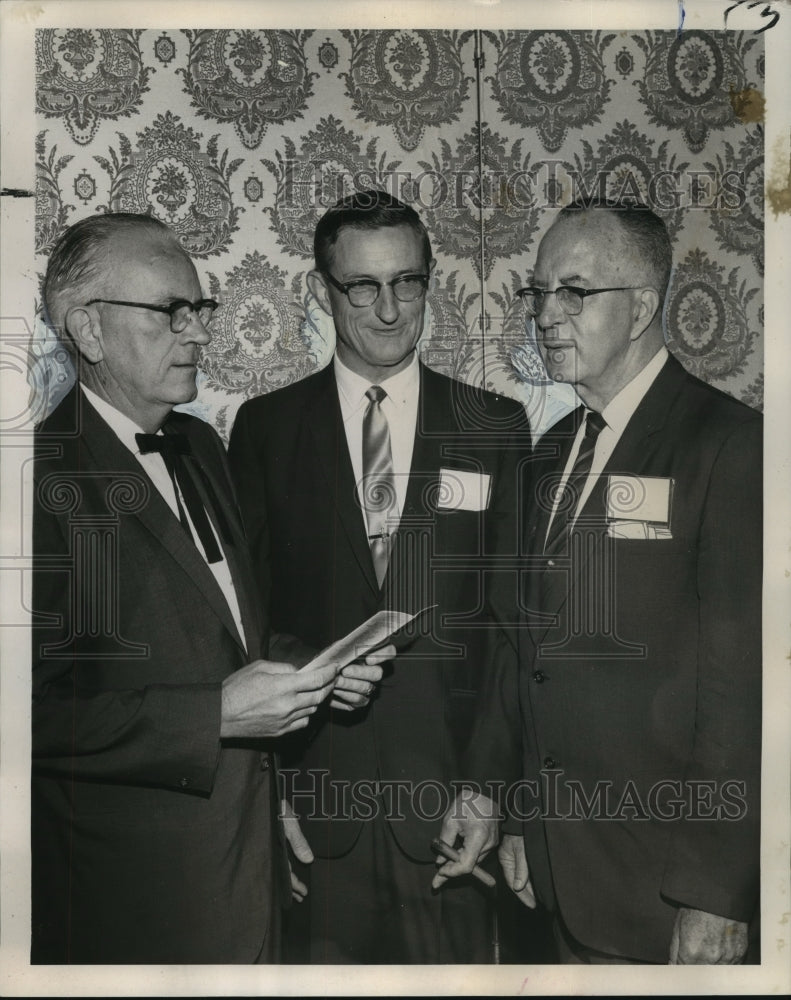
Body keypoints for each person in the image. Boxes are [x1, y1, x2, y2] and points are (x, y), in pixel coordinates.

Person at [31, 212, 387, 964]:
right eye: (171, 312)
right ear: (88, 332)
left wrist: (313, 665)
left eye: (200, 309)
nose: (198, 333)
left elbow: (233, 634)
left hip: (247, 872)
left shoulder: (199, 445)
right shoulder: (37, 480)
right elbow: (27, 714)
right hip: (134, 904)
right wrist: (214, 715)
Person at [434, 200, 762, 965]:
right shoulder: (549, 453)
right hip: (549, 876)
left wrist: (715, 892)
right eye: (538, 292)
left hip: (663, 893)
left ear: (643, 305)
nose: (546, 315)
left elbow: (740, 696)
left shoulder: (728, 446)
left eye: (574, 293)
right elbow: (524, 652)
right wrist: (506, 808)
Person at [228, 190, 532, 963]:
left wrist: (485, 787)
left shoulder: (492, 427)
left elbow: (509, 631)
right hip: (313, 814)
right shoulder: (264, 431)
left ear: (431, 280)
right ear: (320, 290)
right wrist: (272, 797)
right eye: (362, 286)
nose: (390, 309)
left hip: (449, 820)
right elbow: (240, 621)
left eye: (408, 281)